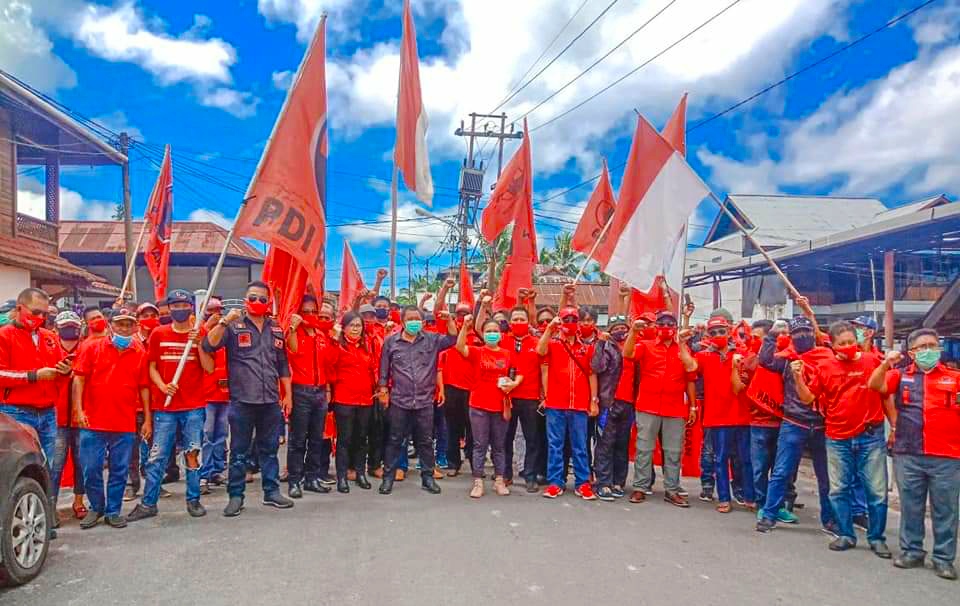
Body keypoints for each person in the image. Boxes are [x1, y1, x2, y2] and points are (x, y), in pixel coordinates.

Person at [868, 328, 960, 581]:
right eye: (922, 347)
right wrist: (886, 363)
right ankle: (912, 551)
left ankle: (943, 558)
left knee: (946, 510)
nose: (928, 350)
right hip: (908, 452)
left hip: (947, 455)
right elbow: (875, 385)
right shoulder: (900, 376)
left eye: (933, 345)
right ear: (912, 352)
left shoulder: (955, 378)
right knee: (911, 506)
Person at [795, 321, 892, 556]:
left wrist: (895, 426)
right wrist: (798, 377)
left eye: (851, 342)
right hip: (837, 436)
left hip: (870, 435)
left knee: (876, 490)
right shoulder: (825, 367)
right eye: (842, 343)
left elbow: (885, 392)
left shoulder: (871, 361)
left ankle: (877, 537)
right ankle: (846, 534)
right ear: (833, 345)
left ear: (856, 341)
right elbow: (808, 398)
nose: (847, 346)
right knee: (838, 489)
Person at [202, 281, 295, 516]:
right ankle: (235, 496)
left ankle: (271, 492)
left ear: (268, 303)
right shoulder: (234, 326)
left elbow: (283, 364)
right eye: (253, 297)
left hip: (270, 401)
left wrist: (288, 395)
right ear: (245, 299)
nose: (258, 302)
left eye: (263, 299)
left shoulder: (275, 328)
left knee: (270, 449)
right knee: (239, 451)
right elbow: (208, 344)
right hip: (242, 400)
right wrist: (224, 321)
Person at [128, 289, 215, 522]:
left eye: (183, 305)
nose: (179, 310)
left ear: (190, 308)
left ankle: (193, 499)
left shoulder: (200, 332)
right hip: (164, 408)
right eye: (174, 306)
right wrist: (163, 386)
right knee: (157, 457)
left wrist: (198, 344)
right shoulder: (158, 333)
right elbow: (152, 366)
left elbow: (209, 367)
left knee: (193, 455)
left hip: (193, 407)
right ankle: (148, 503)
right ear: (169, 309)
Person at [756, 316, 837, 535]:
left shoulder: (827, 357)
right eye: (798, 333)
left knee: (825, 476)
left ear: (813, 333)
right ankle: (769, 516)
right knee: (781, 472)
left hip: (822, 424)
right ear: (791, 337)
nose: (803, 337)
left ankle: (829, 520)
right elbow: (764, 360)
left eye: (807, 332)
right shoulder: (787, 359)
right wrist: (772, 335)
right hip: (794, 422)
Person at [72, 306, 147, 529]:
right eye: (120, 323)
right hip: (93, 421)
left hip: (124, 421)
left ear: (135, 326)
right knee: (91, 468)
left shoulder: (139, 352)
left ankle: (113, 511)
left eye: (129, 324)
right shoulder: (92, 348)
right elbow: (79, 379)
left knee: (119, 469)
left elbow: (144, 387)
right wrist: (78, 410)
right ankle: (97, 507)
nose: (124, 328)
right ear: (110, 324)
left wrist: (148, 419)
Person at [377, 306, 457, 495]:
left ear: (422, 322)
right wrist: (383, 391)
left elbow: (452, 339)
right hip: (399, 400)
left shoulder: (431, 339)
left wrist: (450, 320)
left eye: (417, 319)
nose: (414, 322)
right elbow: (383, 370)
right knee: (395, 440)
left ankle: (427, 478)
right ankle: (388, 478)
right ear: (403, 322)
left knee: (425, 441)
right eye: (410, 319)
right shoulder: (391, 342)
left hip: (423, 401)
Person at [624, 310, 693, 505]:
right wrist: (633, 332)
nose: (666, 327)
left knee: (673, 451)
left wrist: (682, 344)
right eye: (662, 323)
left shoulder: (683, 349)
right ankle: (640, 487)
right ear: (656, 327)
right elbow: (628, 354)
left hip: (674, 408)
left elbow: (691, 369)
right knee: (644, 449)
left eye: (670, 324)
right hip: (647, 405)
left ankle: (671, 489)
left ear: (675, 327)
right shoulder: (646, 346)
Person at [688, 315, 755, 513]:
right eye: (714, 332)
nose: (718, 335)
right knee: (720, 459)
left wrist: (737, 364)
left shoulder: (742, 353)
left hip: (742, 415)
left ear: (729, 331)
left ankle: (750, 496)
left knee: (746, 459)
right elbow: (689, 368)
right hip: (716, 417)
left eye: (722, 331)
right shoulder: (703, 356)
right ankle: (724, 498)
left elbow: (740, 386)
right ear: (708, 334)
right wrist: (682, 341)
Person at [0, 288, 71, 467]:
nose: (40, 317)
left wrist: (65, 371)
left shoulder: (50, 337)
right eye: (36, 312)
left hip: (48, 412)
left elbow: (58, 372)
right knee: (21, 466)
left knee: (50, 467)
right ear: (19, 308)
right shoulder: (4, 336)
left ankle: (48, 497)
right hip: (16, 411)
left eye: (44, 313)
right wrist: (33, 376)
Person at [536, 307, 598, 500]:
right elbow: (540, 350)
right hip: (556, 404)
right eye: (566, 318)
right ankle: (555, 482)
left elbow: (591, 374)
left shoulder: (586, 348)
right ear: (561, 321)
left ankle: (583, 483)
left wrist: (593, 401)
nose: (570, 321)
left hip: (579, 405)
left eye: (574, 318)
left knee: (580, 446)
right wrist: (549, 329)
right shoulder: (554, 344)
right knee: (555, 445)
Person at [456, 316, 521, 498]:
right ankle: (478, 482)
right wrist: (465, 327)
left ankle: (499, 480)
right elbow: (460, 347)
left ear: (501, 335)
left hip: (500, 405)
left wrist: (512, 384)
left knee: (499, 446)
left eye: (495, 331)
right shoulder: (477, 352)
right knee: (479, 445)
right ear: (483, 334)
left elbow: (517, 374)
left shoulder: (508, 354)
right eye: (488, 331)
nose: (492, 334)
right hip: (478, 405)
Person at [745, 319, 798, 524]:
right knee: (759, 469)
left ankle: (779, 506)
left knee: (782, 469)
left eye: (759, 337)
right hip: (758, 422)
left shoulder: (785, 358)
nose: (754, 341)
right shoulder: (751, 359)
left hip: (783, 422)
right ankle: (762, 504)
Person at [285, 295, 334, 498]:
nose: (311, 315)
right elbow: (293, 350)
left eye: (314, 312)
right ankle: (295, 480)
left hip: (320, 392)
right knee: (298, 439)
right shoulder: (296, 333)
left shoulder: (321, 336)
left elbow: (327, 364)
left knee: (316, 438)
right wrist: (294, 328)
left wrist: (328, 390)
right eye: (307, 311)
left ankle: (312, 478)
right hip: (301, 391)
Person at [329, 311, 378, 493]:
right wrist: (334, 342)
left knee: (361, 439)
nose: (356, 329)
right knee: (344, 439)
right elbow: (330, 364)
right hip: (344, 399)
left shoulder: (366, 347)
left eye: (359, 325)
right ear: (344, 327)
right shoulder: (338, 346)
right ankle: (342, 476)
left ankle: (360, 473)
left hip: (365, 400)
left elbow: (372, 367)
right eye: (352, 325)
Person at [591, 316, 636, 501]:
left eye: (623, 327)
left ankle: (619, 481)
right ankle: (603, 482)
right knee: (605, 444)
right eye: (616, 327)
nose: (620, 331)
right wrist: (601, 345)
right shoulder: (606, 346)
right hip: (609, 403)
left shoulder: (634, 347)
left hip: (628, 404)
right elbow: (596, 367)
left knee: (622, 445)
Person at [502, 305, 546, 492]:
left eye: (522, 319)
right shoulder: (502, 340)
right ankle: (505, 474)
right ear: (510, 322)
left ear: (529, 322)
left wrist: (545, 395)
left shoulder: (537, 342)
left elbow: (544, 371)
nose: (519, 322)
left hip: (530, 397)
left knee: (532, 438)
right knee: (505, 438)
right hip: (507, 397)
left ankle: (529, 475)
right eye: (515, 319)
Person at [50, 311, 87, 523]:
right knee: (56, 463)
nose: (69, 329)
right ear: (56, 327)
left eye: (73, 325)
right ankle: (50, 505)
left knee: (82, 462)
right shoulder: (51, 348)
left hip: (81, 415)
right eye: (65, 325)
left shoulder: (87, 348)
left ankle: (79, 501)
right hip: (57, 416)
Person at [126, 302, 161, 501]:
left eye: (153, 315)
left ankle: (153, 483)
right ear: (138, 319)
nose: (149, 318)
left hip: (156, 401)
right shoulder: (130, 342)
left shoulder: (159, 339)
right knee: (131, 448)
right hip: (133, 402)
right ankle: (132, 484)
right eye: (145, 315)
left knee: (156, 448)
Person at [442, 302, 477, 477]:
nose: (462, 316)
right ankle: (453, 462)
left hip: (472, 389)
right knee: (452, 428)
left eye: (466, 313)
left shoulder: (478, 334)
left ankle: (473, 461)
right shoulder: (451, 333)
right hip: (451, 388)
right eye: (459, 313)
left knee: (473, 429)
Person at [199, 297, 230, 494]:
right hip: (206, 394)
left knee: (221, 435)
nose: (215, 313)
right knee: (206, 435)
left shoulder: (226, 332)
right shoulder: (200, 331)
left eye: (219, 310)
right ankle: (203, 473)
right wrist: (206, 327)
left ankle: (217, 470)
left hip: (226, 393)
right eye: (211, 310)